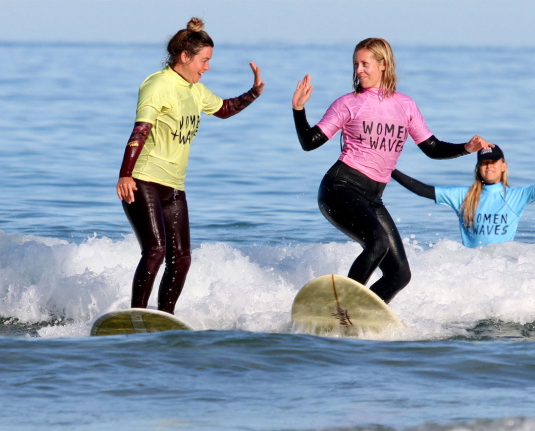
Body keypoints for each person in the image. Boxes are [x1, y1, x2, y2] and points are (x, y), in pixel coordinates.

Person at [292, 37, 490, 304]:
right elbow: (310, 142)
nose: (358, 70)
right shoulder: (349, 103)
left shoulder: (405, 105)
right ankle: (340, 307)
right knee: (377, 244)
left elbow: (432, 148)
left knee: (399, 274)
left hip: (373, 197)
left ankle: (361, 314)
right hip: (340, 189)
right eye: (355, 64)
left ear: (383, 65)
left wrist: (466, 147)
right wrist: (298, 109)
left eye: (365, 64)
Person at [116, 17, 265, 314]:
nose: (207, 67)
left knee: (181, 257)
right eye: (204, 60)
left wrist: (253, 93)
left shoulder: (195, 90)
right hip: (143, 179)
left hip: (174, 185)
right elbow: (140, 129)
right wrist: (125, 174)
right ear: (185, 57)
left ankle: (164, 317)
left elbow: (223, 109)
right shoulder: (158, 85)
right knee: (155, 251)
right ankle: (136, 314)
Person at [391, 139, 535, 247]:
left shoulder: (516, 197)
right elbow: (422, 190)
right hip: (473, 268)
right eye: (484, 163)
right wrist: (389, 168)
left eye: (493, 162)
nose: (488, 167)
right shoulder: (463, 197)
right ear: (478, 168)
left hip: (500, 271)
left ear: (504, 166)